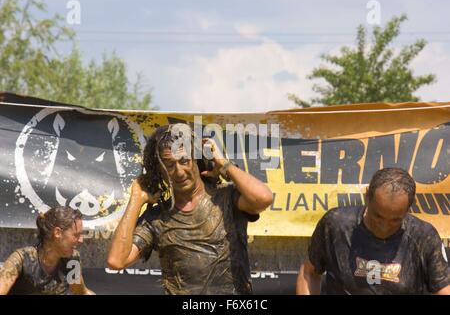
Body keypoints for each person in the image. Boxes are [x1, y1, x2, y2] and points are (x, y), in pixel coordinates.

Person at [107, 124, 273, 294]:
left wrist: (223, 164)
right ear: (160, 171)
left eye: (184, 161)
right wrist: (136, 198)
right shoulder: (156, 218)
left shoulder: (227, 198)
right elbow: (116, 260)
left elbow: (263, 198)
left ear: (197, 160)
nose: (179, 172)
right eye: (169, 165)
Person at [296, 167, 450, 295]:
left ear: (409, 208)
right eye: (377, 216)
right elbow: (309, 272)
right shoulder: (336, 224)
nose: (384, 226)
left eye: (395, 220)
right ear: (367, 196)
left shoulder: (423, 237)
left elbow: (444, 289)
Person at [0, 206, 94, 295]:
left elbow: (81, 292)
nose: (81, 240)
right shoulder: (22, 259)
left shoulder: (72, 260)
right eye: (76, 235)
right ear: (57, 233)